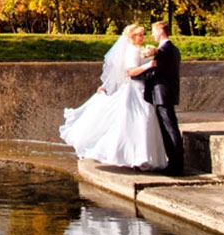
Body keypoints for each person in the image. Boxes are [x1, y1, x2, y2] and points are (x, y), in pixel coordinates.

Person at [59, 24, 168, 170]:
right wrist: (150, 65)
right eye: (139, 35)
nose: (142, 37)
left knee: (140, 120)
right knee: (141, 118)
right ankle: (138, 157)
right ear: (132, 37)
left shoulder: (137, 50)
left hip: (140, 88)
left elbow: (117, 71)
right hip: (135, 89)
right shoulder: (133, 51)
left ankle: (139, 157)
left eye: (142, 34)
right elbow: (130, 72)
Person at [132, 20, 184, 175]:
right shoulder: (173, 49)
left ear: (161, 31)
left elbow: (156, 72)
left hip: (162, 94)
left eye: (154, 31)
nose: (152, 34)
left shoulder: (163, 51)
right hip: (167, 93)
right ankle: (175, 162)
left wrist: (134, 76)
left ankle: (175, 165)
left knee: (169, 128)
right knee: (170, 127)